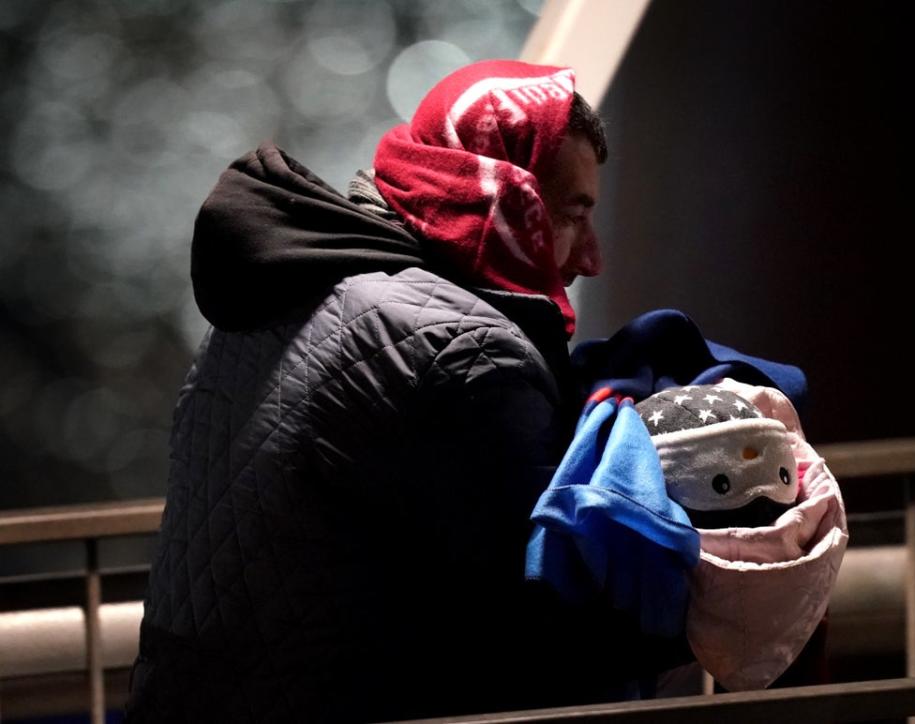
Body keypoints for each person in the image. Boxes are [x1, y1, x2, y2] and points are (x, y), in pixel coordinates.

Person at [126, 60, 666, 723]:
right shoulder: (461, 350)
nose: (590, 258)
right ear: (506, 196)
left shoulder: (288, 287)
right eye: (572, 215)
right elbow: (545, 636)